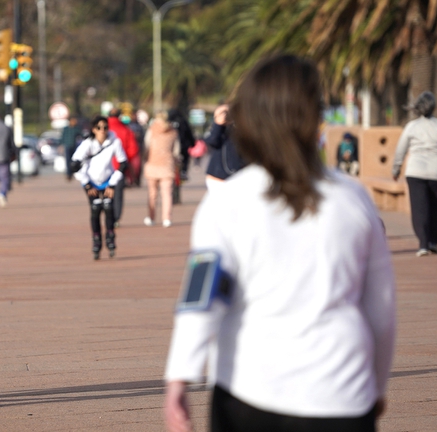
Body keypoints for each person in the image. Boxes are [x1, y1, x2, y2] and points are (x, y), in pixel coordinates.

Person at [164, 55, 396, 432]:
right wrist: (378, 383)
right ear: (315, 118)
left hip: (249, 390)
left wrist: (180, 376)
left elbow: (203, 295)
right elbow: (381, 308)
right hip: (341, 390)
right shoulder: (353, 199)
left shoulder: (227, 201)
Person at [392, 91, 437, 257]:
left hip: (416, 172)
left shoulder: (411, 126)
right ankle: (434, 242)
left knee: (419, 208)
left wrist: (396, 169)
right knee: (436, 207)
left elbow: (400, 150)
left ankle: (423, 244)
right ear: (434, 107)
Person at [71, 115, 128, 260]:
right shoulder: (88, 144)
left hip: (108, 180)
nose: (102, 130)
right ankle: (96, 240)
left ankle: (110, 236)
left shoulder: (114, 141)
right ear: (93, 129)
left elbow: (123, 163)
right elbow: (75, 164)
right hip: (91, 181)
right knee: (95, 208)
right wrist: (86, 184)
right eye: (99, 127)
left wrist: (112, 184)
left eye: (105, 127)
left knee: (108, 208)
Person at [142, 112, 180, 228]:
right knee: (167, 194)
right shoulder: (173, 132)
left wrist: (145, 158)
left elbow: (146, 146)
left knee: (152, 194)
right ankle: (167, 219)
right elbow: (176, 151)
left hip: (152, 164)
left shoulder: (151, 130)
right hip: (167, 165)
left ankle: (151, 217)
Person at [203, 103, 247, 192]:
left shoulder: (243, 129)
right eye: (222, 113)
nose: (226, 115)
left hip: (239, 178)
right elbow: (212, 141)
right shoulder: (217, 130)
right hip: (217, 178)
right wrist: (218, 124)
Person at [108, 108, 138, 225]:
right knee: (118, 194)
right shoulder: (126, 130)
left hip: (104, 168)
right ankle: (116, 218)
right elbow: (133, 149)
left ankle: (108, 217)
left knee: (105, 194)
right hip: (120, 166)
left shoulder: (102, 129)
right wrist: (126, 159)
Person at [168, 109, 195, 181]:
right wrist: (193, 143)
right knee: (185, 158)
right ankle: (184, 171)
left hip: (171, 146)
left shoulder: (168, 122)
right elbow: (189, 133)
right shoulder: (183, 121)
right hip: (183, 145)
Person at [60, 116, 82, 181]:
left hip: (74, 146)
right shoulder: (66, 129)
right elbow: (62, 137)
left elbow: (81, 135)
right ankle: (68, 174)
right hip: (67, 146)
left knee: (74, 160)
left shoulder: (77, 128)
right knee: (68, 161)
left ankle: (74, 172)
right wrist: (61, 145)